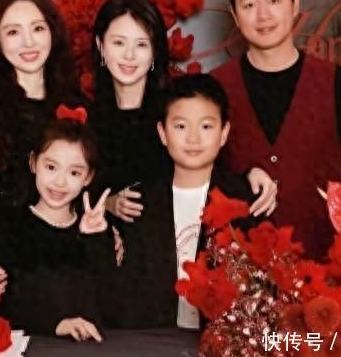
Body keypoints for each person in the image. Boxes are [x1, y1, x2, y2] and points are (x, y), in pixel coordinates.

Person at [211, 0, 341, 259]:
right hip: (242, 274)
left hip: (326, 268)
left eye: (274, 0)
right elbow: (197, 183)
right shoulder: (214, 89)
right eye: (249, 5)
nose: (263, 15)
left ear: (295, 4)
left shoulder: (339, 84)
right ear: (235, 16)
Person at [90, 0, 277, 224]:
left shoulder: (176, 108)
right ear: (100, 45)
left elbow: (212, 167)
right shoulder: (85, 117)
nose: (129, 55)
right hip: (109, 239)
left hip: (177, 234)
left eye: (141, 44)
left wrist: (250, 176)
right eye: (119, 43)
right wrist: (107, 204)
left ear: (155, 51)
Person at [107, 74, 271, 329]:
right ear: (163, 133)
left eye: (206, 127)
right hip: (152, 339)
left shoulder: (246, 201)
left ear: (224, 133)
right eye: (181, 126)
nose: (193, 138)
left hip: (224, 340)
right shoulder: (137, 202)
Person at [0, 106, 115, 342]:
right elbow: (10, 304)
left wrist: (93, 238)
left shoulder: (96, 229)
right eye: (51, 167)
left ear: (88, 177)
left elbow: (107, 302)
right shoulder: (10, 228)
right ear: (33, 163)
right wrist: (55, 324)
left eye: (74, 173)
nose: (60, 182)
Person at [0, 0, 81, 215]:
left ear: (53, 32)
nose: (29, 42)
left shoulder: (76, 105)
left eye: (38, 28)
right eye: (13, 32)